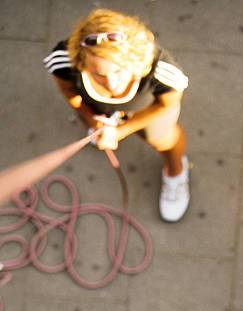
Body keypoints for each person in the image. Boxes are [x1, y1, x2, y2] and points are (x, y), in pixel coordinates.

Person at [43, 8, 190, 223]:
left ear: (135, 59)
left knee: (162, 139)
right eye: (98, 75)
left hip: (148, 110)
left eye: (120, 71)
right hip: (100, 111)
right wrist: (92, 120)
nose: (111, 84)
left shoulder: (162, 72)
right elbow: (69, 92)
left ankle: (176, 172)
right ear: (82, 63)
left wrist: (120, 131)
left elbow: (166, 106)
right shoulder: (64, 62)